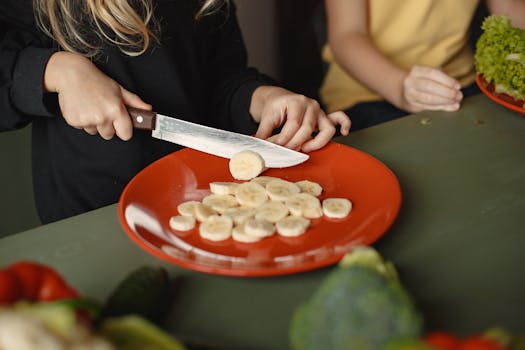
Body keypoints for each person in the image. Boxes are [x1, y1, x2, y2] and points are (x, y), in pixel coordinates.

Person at [0, 0, 350, 224]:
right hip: (93, 216)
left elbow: (221, 82)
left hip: (201, 201)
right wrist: (56, 72)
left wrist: (264, 97)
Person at [320, 0, 525, 131]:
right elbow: (346, 35)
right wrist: (399, 87)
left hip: (461, 84)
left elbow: (507, 9)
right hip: (369, 92)